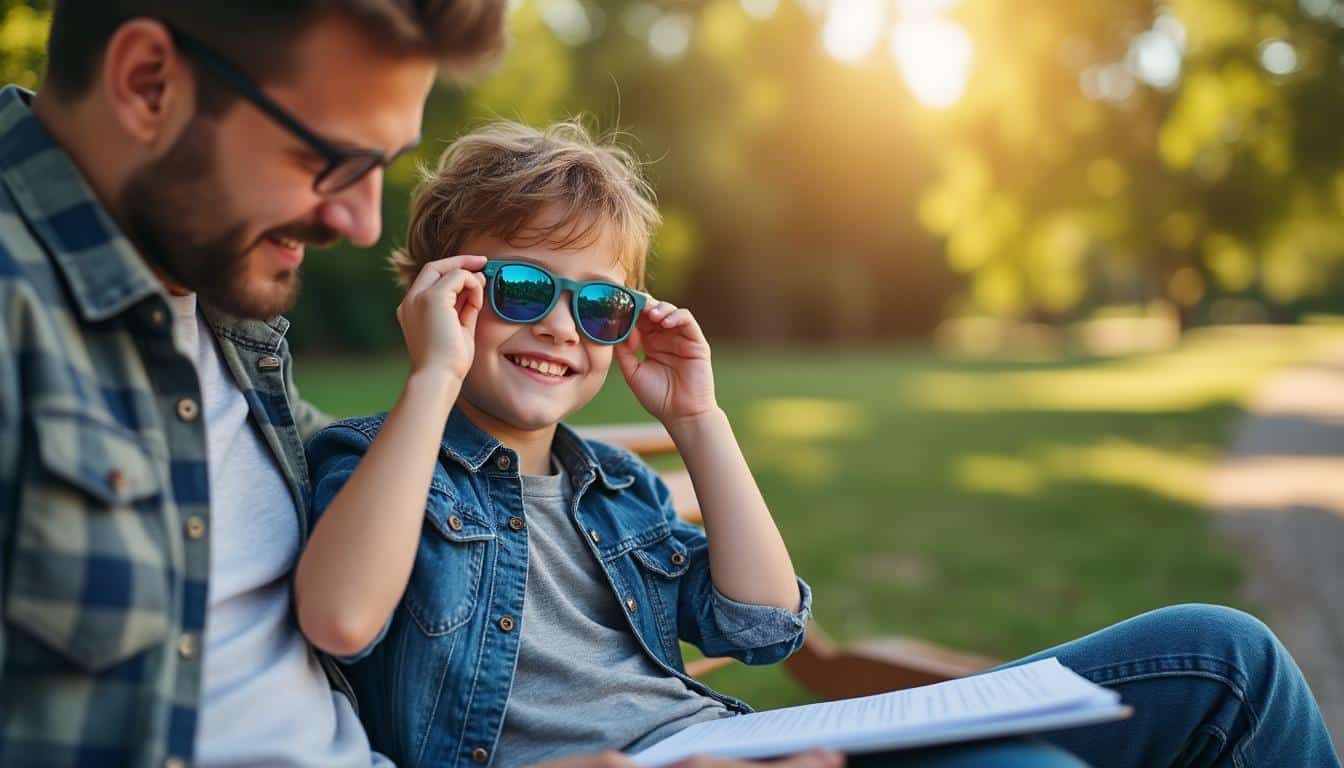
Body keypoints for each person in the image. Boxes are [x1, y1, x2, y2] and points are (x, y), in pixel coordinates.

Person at [299, 119, 1342, 768]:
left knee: (1226, 655)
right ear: (438, 292)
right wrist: (434, 378)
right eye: (523, 288)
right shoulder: (375, 463)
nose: (565, 328)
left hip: (746, 746)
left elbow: (761, 627)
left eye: (601, 305)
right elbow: (343, 620)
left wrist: (699, 423)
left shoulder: (612, 487)